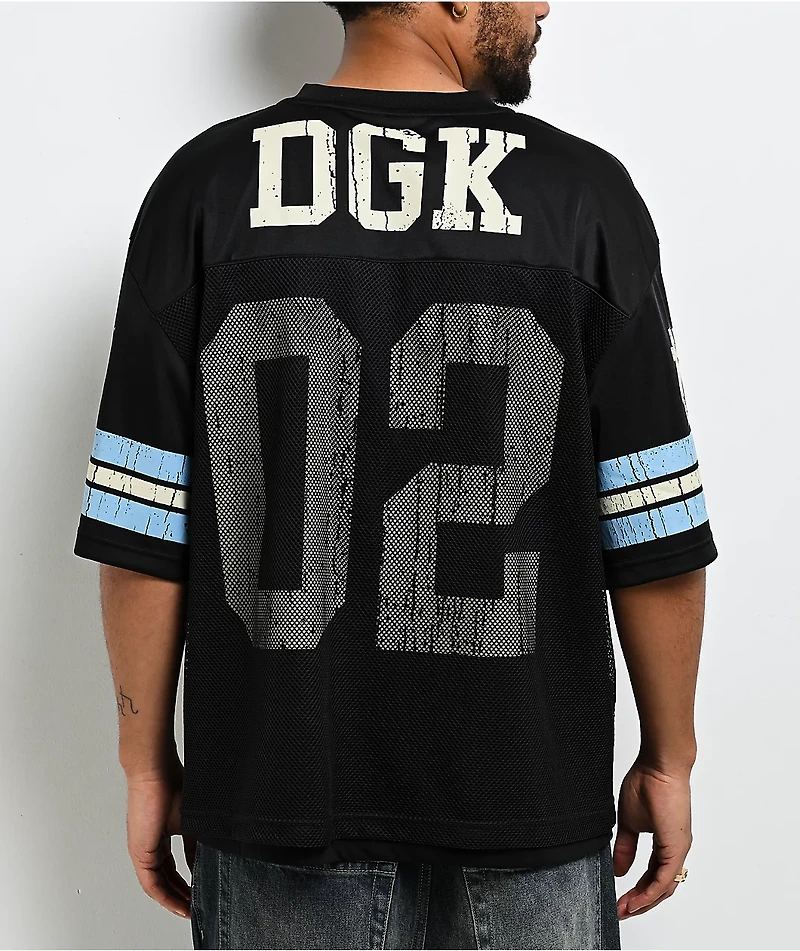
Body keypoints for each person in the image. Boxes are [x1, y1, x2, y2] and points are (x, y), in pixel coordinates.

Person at [73, 2, 717, 948]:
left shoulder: (204, 190)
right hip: (526, 799)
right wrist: (670, 756)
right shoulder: (583, 197)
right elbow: (653, 532)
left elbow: (143, 528)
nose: (544, 3)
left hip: (279, 792)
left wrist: (144, 760)